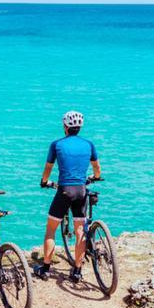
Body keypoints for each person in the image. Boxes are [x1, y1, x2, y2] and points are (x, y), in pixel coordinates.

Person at [34, 111, 102, 283]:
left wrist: (44, 182)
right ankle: (77, 271)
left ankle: (46, 268)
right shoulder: (89, 144)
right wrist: (93, 178)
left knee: (51, 229)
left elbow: (48, 168)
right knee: (80, 231)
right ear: (79, 127)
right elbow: (97, 169)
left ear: (65, 126)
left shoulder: (56, 145)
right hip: (81, 190)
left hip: (65, 190)